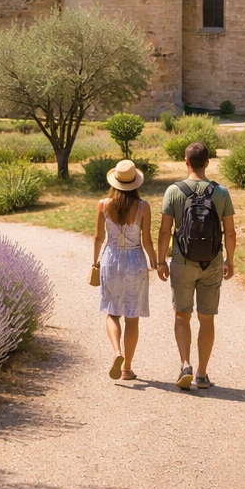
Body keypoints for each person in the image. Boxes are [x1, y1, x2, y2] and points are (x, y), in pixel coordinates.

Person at [155, 141, 236, 389]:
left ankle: (185, 365)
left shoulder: (174, 191)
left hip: (182, 260)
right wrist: (229, 260)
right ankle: (201, 374)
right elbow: (230, 232)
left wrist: (160, 261)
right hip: (211, 262)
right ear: (208, 163)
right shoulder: (221, 192)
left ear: (186, 161)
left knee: (182, 314)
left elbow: (165, 230)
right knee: (207, 318)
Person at [93, 159, 159, 382]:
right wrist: (156, 261)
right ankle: (127, 368)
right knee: (132, 317)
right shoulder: (143, 207)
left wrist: (95, 263)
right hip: (135, 260)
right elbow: (147, 240)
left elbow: (98, 238)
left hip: (111, 259)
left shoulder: (103, 204)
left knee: (112, 312)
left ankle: (116, 352)